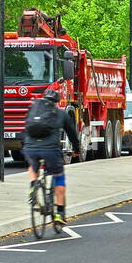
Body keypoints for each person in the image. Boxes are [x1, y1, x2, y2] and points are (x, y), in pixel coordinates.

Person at [22, 86, 82, 225]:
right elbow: (72, 134)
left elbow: (26, 127)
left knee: (33, 166)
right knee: (59, 176)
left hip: (30, 148)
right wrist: (77, 150)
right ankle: (59, 214)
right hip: (51, 151)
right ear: (56, 102)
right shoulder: (61, 114)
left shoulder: (34, 108)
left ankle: (33, 186)